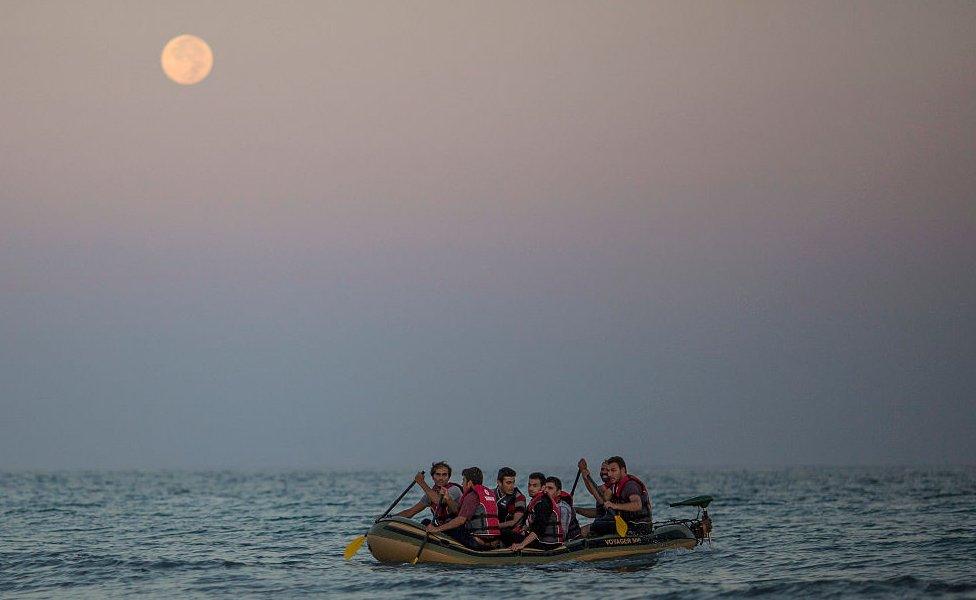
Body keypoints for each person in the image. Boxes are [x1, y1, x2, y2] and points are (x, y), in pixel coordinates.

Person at [425, 467, 501, 549]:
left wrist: (437, 529)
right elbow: (460, 512)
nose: (462, 484)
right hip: (494, 542)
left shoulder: (472, 495)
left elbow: (460, 520)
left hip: (477, 542)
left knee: (427, 522)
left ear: (470, 483)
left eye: (464, 480)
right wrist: (448, 498)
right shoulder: (490, 493)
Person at [510, 476, 581, 551]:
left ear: (558, 492)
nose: (546, 491)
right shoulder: (543, 504)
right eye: (545, 488)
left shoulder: (563, 508)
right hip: (544, 539)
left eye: (550, 488)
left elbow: (563, 532)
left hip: (570, 539)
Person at [587, 455, 653, 537]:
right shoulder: (615, 485)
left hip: (639, 525)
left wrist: (614, 506)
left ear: (623, 470)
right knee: (599, 522)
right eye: (609, 471)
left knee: (597, 525)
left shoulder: (630, 485)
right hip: (628, 523)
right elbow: (601, 500)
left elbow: (637, 505)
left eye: (613, 470)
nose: (610, 474)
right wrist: (586, 475)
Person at [395, 461, 462, 525]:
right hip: (442, 529)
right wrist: (390, 518)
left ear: (449, 477)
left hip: (457, 529)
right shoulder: (429, 496)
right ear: (433, 477)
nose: (441, 478)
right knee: (426, 522)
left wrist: (421, 482)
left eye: (444, 475)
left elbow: (438, 501)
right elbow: (410, 512)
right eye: (438, 474)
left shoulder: (454, 489)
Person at [494, 467, 526, 545]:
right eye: (508, 483)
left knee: (504, 532)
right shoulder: (491, 495)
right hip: (495, 530)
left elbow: (514, 522)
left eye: (513, 482)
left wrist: (492, 526)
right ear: (499, 482)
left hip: (512, 533)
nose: (512, 486)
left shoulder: (519, 497)